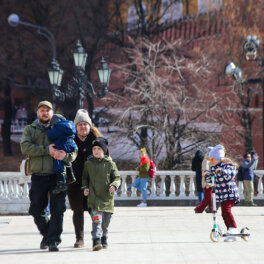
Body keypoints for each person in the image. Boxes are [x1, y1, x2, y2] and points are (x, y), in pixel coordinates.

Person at [20, 101, 77, 252]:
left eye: (47, 110)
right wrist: (46, 150)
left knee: (58, 209)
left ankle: (53, 241)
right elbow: (25, 147)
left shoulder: (61, 127)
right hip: (38, 176)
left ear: (52, 113)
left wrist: (66, 156)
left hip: (57, 176)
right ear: (37, 113)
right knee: (35, 209)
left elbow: (72, 149)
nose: (45, 113)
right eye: (42, 110)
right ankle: (47, 234)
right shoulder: (30, 129)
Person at [67, 109, 102, 248]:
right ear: (76, 127)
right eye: (80, 124)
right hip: (74, 182)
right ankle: (79, 239)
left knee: (94, 209)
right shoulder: (70, 142)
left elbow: (107, 162)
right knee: (77, 210)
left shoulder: (98, 142)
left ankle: (97, 237)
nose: (83, 127)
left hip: (93, 183)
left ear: (90, 126)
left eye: (85, 124)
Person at [82, 137, 121, 251]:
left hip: (107, 199)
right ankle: (96, 241)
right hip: (94, 198)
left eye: (99, 148)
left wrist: (114, 185)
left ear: (104, 150)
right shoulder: (88, 164)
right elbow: (84, 178)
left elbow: (117, 177)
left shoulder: (110, 164)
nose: (96, 151)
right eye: (94, 148)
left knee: (105, 223)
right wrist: (85, 188)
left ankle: (104, 237)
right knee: (96, 220)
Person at [205, 144, 240, 242]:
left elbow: (229, 174)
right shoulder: (213, 168)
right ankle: (230, 229)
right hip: (221, 194)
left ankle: (233, 229)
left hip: (230, 193)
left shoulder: (228, 166)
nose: (211, 162)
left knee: (226, 210)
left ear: (218, 159)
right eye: (210, 160)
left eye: (212, 160)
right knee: (223, 213)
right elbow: (212, 178)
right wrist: (207, 178)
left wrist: (221, 171)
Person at [47, 114, 77, 194]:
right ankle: (71, 175)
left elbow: (51, 135)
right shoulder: (70, 125)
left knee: (58, 161)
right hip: (71, 145)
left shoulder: (57, 127)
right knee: (65, 159)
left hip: (62, 145)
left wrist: (49, 129)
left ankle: (61, 183)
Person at [194, 147, 213, 213]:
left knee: (210, 197)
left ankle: (211, 209)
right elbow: (206, 172)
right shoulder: (206, 161)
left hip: (212, 181)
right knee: (208, 197)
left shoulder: (211, 160)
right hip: (208, 182)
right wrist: (208, 183)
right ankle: (199, 209)